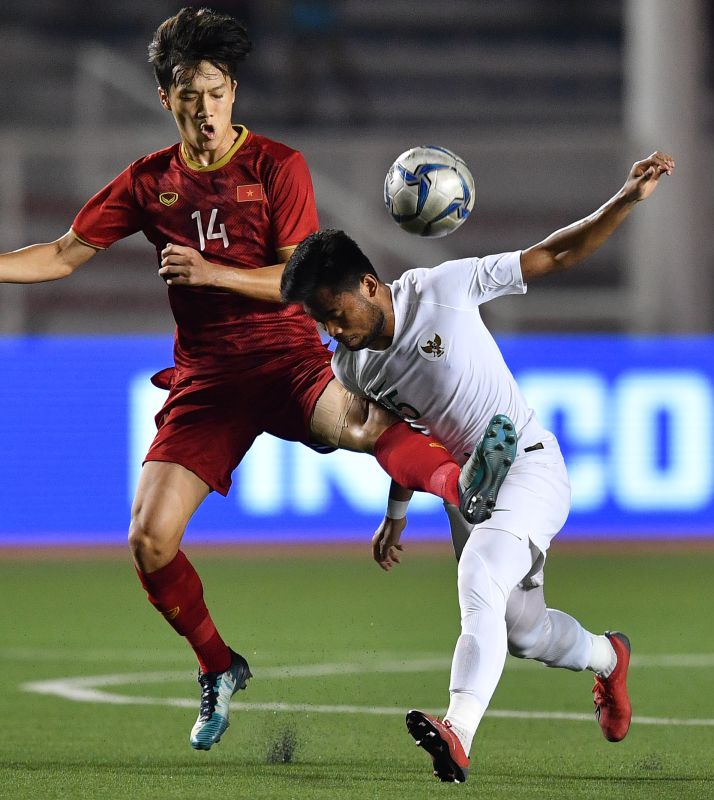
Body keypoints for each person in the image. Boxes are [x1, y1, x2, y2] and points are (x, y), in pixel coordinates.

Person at [0, 6, 511, 752]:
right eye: (187, 94)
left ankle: (459, 487)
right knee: (148, 541)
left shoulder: (277, 166)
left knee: (360, 427)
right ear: (166, 98)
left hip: (285, 359)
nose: (203, 110)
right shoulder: (149, 182)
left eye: (215, 93)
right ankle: (218, 666)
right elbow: (59, 254)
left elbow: (299, 281)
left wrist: (212, 271)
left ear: (233, 92)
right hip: (207, 378)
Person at [278, 150, 675, 783]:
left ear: (370, 286)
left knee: (478, 577)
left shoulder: (444, 288)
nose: (329, 329)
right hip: (469, 491)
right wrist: (396, 513)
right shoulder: (351, 366)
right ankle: (608, 657)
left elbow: (555, 255)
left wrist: (624, 200)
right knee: (522, 630)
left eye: (333, 311)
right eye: (317, 320)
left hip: (527, 463)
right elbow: (395, 437)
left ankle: (457, 731)